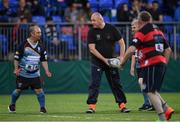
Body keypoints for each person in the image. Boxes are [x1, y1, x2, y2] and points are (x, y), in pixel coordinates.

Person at [120, 11, 174, 121]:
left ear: (140, 21)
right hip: (159, 63)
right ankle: (167, 109)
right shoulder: (158, 31)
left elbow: (131, 49)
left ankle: (162, 118)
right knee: (149, 88)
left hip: (151, 64)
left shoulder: (142, 32)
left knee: (150, 91)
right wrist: (164, 63)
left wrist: (122, 62)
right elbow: (168, 49)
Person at [86, 12, 130, 113]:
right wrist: (104, 60)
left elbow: (122, 42)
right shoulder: (91, 32)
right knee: (94, 83)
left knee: (116, 83)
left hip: (111, 61)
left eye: (94, 20)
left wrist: (122, 57)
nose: (92, 22)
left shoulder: (111, 28)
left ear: (100, 19)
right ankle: (92, 106)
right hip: (97, 62)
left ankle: (122, 105)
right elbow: (92, 49)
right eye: (91, 20)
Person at [8, 25, 52, 113]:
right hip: (23, 73)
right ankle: (12, 104)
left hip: (35, 74)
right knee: (18, 90)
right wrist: (16, 69)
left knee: (39, 90)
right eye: (38, 32)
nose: (40, 34)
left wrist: (47, 71)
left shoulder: (41, 45)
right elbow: (16, 58)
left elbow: (43, 59)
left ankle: (42, 108)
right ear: (32, 34)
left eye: (40, 32)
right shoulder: (23, 45)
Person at [130, 19, 154, 111]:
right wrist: (132, 67)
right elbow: (134, 53)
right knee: (143, 83)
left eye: (134, 27)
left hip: (147, 63)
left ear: (140, 27)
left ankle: (150, 103)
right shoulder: (135, 37)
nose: (132, 29)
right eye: (131, 27)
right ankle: (149, 103)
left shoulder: (143, 36)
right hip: (139, 64)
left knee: (143, 83)